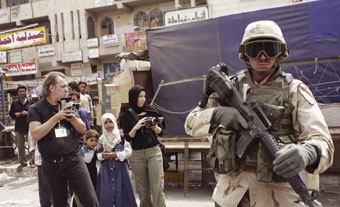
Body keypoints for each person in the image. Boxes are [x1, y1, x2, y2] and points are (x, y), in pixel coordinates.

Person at [184, 20, 334, 207]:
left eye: (270, 49)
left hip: (278, 199)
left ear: (280, 52)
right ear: (245, 54)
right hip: (230, 197)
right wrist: (217, 114)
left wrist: (308, 152)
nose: (263, 57)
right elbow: (190, 123)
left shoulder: (294, 90)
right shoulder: (230, 88)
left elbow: (323, 141)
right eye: (255, 50)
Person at [27, 72, 98, 207]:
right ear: (51, 88)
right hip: (51, 164)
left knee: (90, 200)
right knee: (60, 203)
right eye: (63, 86)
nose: (67, 89)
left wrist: (73, 118)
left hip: (74, 160)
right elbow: (36, 134)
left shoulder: (67, 105)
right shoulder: (35, 109)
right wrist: (57, 118)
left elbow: (83, 130)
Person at [120, 85, 166, 207]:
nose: (142, 99)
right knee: (142, 190)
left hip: (153, 152)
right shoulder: (126, 115)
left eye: (144, 96)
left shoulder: (152, 111)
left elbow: (161, 133)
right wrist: (136, 126)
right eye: (139, 96)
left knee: (157, 187)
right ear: (133, 97)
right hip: (137, 154)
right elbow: (128, 138)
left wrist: (154, 127)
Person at [96, 113, 137, 207]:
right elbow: (96, 154)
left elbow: (128, 152)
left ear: (115, 122)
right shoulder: (101, 139)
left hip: (120, 170)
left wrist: (116, 154)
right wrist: (102, 155)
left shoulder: (121, 137)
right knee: (106, 194)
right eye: (105, 122)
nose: (108, 124)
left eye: (110, 122)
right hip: (106, 170)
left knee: (122, 194)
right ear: (102, 124)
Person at [9, 85, 32, 171]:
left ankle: (31, 162)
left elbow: (35, 112)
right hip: (19, 127)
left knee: (31, 146)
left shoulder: (30, 102)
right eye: (20, 91)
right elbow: (11, 114)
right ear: (18, 93)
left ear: (26, 92)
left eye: (23, 91)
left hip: (29, 126)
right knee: (20, 146)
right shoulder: (14, 103)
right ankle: (23, 163)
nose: (22, 93)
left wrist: (28, 113)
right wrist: (16, 114)